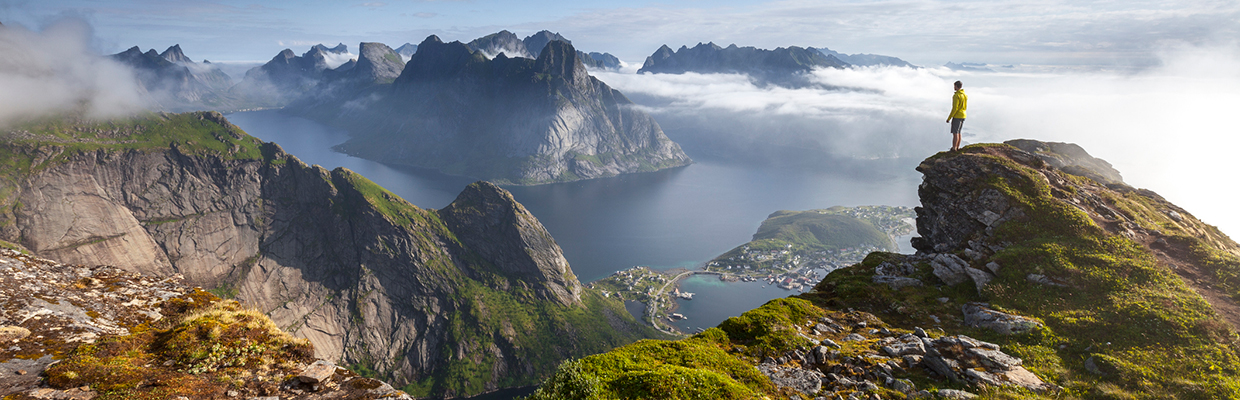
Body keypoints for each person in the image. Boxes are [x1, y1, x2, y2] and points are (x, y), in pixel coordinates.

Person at [945, 80, 967, 151]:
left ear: (956, 86)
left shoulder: (956, 96)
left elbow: (955, 108)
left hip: (957, 116)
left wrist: (949, 118)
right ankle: (957, 146)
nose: (954, 87)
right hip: (963, 115)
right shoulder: (964, 95)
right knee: (959, 132)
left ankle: (954, 148)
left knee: (955, 133)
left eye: (954, 86)